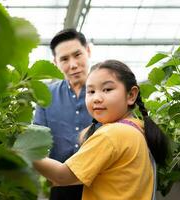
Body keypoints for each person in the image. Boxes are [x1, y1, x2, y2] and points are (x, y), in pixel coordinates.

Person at [33, 60, 169, 200]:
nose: (96, 98)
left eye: (107, 89)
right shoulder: (139, 129)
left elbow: (62, 176)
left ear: (131, 95)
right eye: (90, 91)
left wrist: (24, 151)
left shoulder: (112, 134)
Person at [33, 28, 93, 199]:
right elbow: (38, 142)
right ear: (55, 63)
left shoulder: (105, 94)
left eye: (77, 55)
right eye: (64, 59)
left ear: (88, 51)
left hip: (99, 185)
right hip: (59, 188)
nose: (73, 65)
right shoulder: (45, 96)